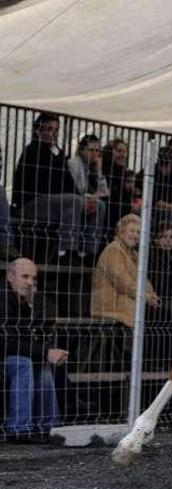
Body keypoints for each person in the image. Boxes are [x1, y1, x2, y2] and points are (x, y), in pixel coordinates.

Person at [12, 112, 98, 261]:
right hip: (32, 203)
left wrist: (85, 198)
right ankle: (66, 251)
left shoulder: (58, 153)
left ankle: (88, 252)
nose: (53, 133)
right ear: (39, 130)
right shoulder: (32, 150)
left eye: (56, 130)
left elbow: (68, 182)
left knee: (98, 205)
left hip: (55, 204)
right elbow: (37, 184)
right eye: (49, 129)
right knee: (73, 201)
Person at [1, 258, 68, 443]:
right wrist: (45, 352)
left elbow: (28, 338)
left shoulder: (23, 299)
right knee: (24, 362)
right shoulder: (3, 299)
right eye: (25, 276)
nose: (30, 282)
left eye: (33, 278)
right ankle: (18, 428)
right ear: (10, 276)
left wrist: (32, 307)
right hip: (5, 356)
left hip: (11, 354)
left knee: (40, 363)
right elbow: (6, 341)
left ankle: (50, 427)